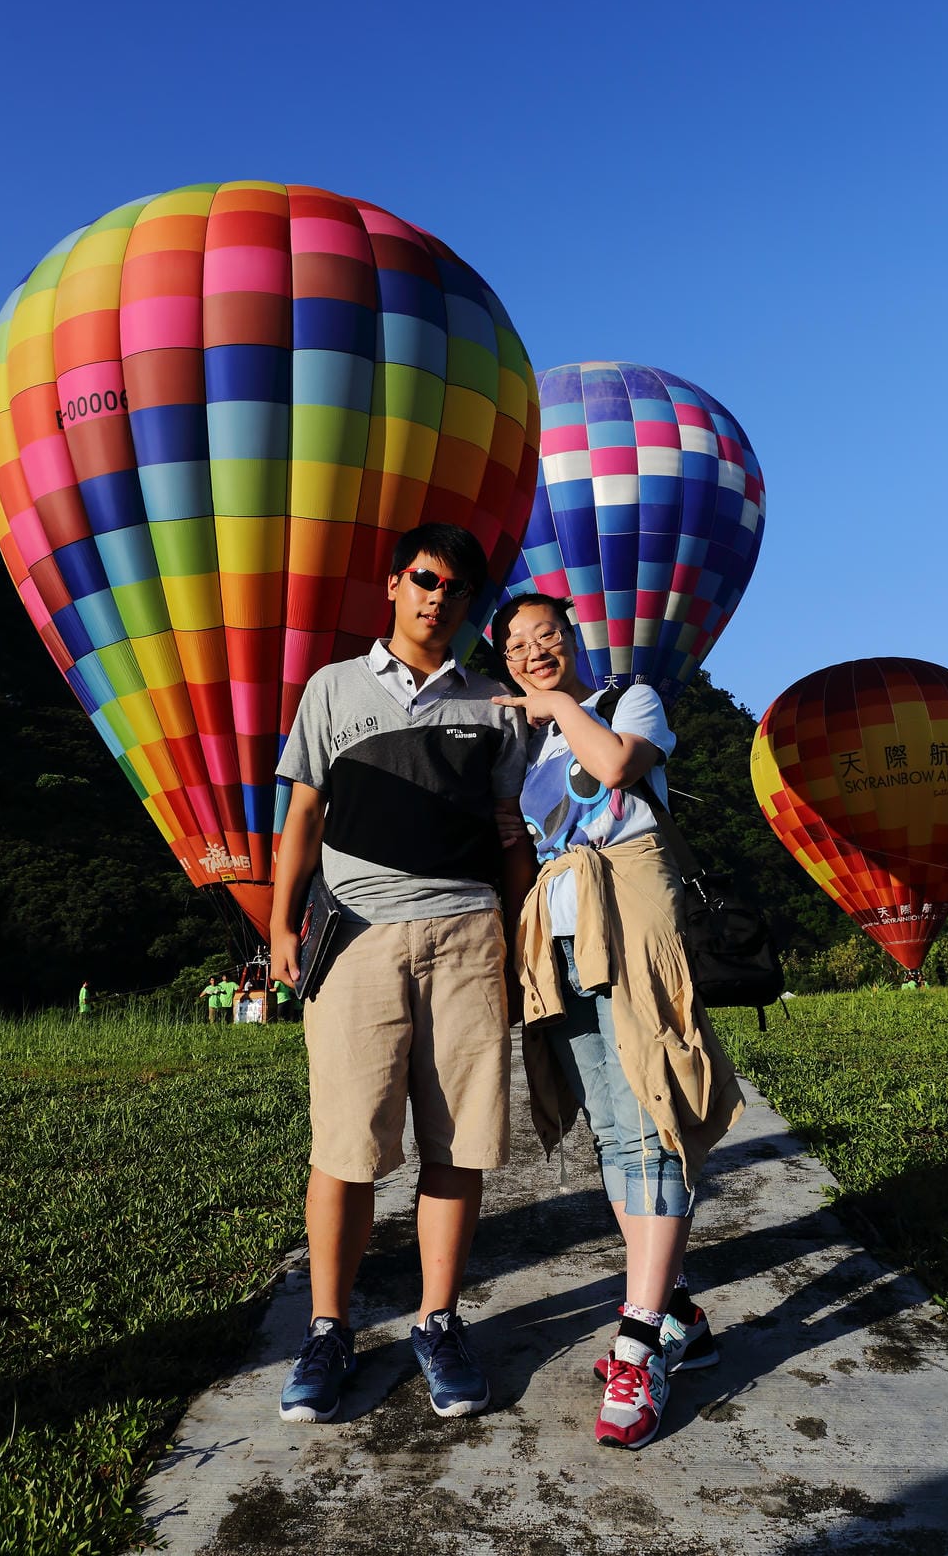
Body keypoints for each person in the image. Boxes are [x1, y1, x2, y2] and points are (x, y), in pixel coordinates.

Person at [270, 523, 530, 1425]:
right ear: (392, 583)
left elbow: (509, 831)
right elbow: (304, 813)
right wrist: (278, 923)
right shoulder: (332, 689)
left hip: (466, 934)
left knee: (457, 1145)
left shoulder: (496, 705)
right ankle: (329, 1328)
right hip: (359, 937)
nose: (437, 598)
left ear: (471, 606)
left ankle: (439, 1321)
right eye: (424, 579)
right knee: (345, 1145)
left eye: (457, 590)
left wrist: (521, 931)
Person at [491, 593, 744, 1451]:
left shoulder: (624, 703)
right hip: (562, 939)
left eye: (547, 638)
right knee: (611, 1129)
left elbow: (614, 768)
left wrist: (559, 704)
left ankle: (640, 1341)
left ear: (573, 642)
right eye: (517, 646)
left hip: (634, 925)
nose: (533, 653)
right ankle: (677, 1315)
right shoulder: (525, 745)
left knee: (653, 1116)